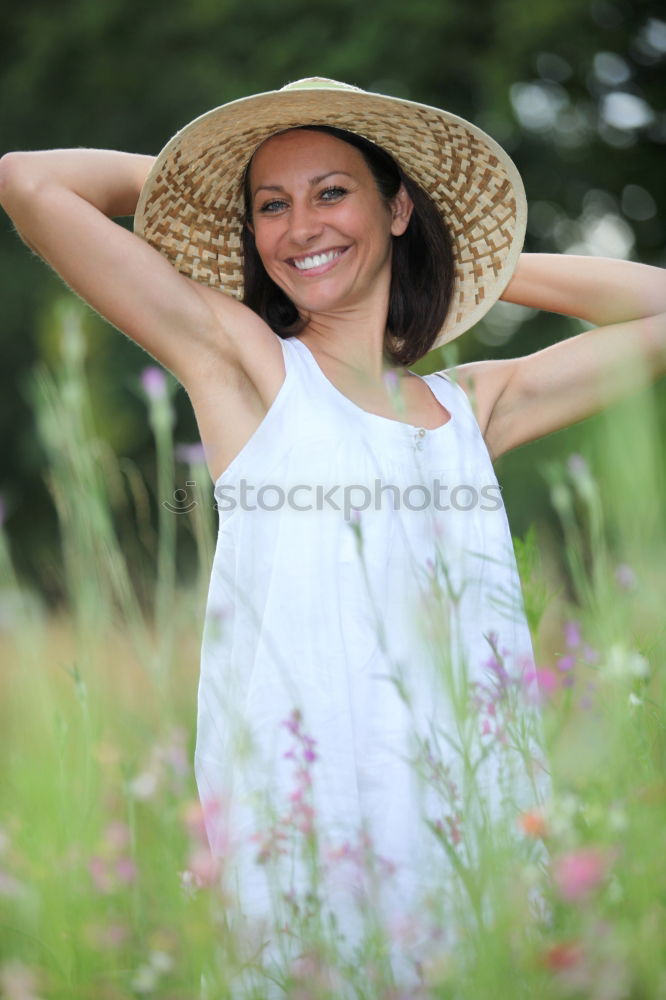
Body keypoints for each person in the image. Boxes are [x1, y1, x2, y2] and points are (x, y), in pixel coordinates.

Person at [1, 77, 664, 995]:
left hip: (477, 849)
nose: (300, 225)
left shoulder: (474, 406)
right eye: (272, 205)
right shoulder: (246, 365)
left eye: (332, 192)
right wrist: (218, 200)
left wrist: (472, 250)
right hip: (309, 863)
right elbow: (30, 183)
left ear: (398, 207)